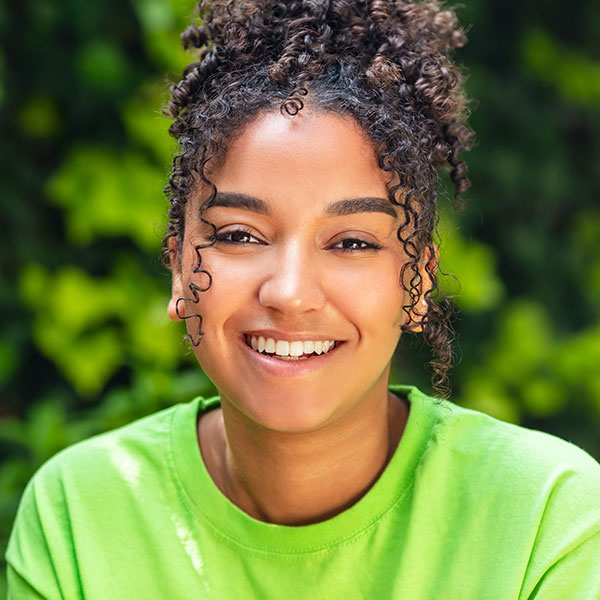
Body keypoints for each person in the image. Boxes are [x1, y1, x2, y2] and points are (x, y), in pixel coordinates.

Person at [6, 0, 600, 598]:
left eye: (350, 242)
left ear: (418, 278)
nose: (290, 293)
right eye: (240, 235)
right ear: (180, 269)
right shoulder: (80, 515)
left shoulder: (546, 518)